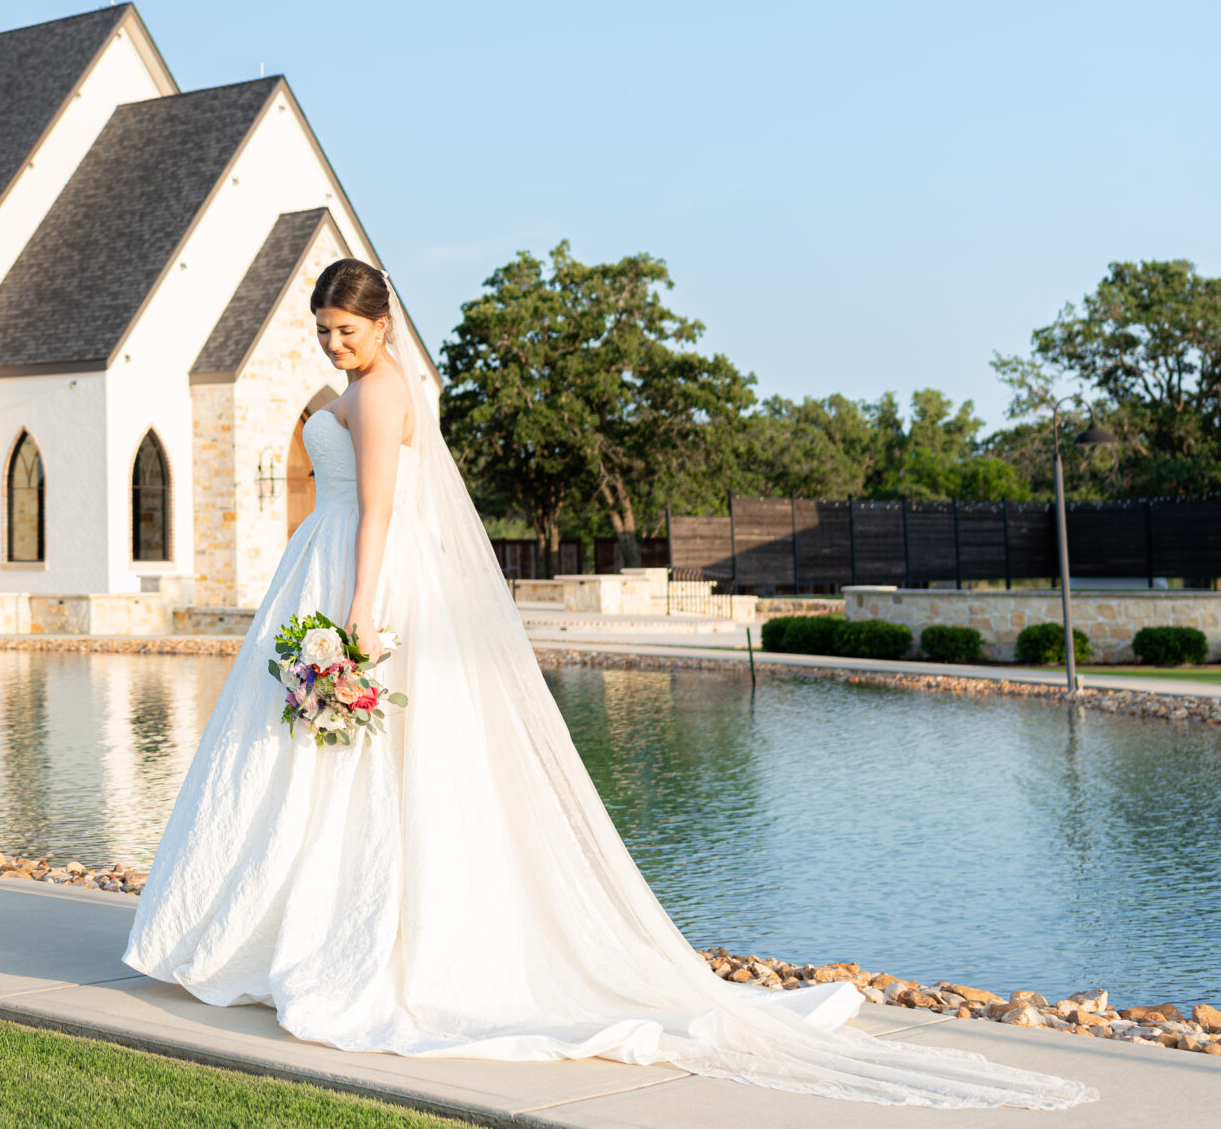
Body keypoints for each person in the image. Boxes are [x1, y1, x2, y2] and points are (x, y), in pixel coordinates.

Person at [123, 259, 1090, 1109]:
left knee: (344, 764)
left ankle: (328, 936)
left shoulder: (380, 394)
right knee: (312, 764)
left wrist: (360, 614)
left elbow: (377, 509)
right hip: (327, 563)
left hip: (355, 574)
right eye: (323, 333)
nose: (334, 346)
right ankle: (298, 925)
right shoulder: (363, 386)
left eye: (347, 330)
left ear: (382, 324)